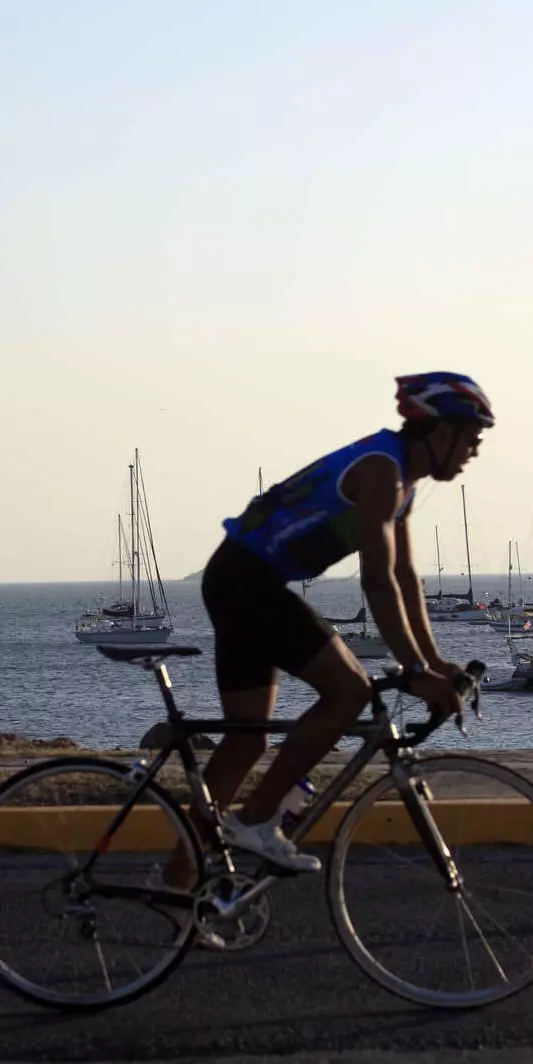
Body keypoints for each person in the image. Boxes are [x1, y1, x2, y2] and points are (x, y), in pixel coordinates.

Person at [196, 371, 493, 875]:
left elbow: (404, 576)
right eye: (470, 438)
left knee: (247, 740)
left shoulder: (400, 479)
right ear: (438, 432)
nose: (475, 451)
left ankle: (180, 886)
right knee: (349, 691)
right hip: (247, 584)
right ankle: (257, 821)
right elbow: (378, 582)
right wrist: (415, 671)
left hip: (241, 580)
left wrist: (433, 661)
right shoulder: (382, 473)